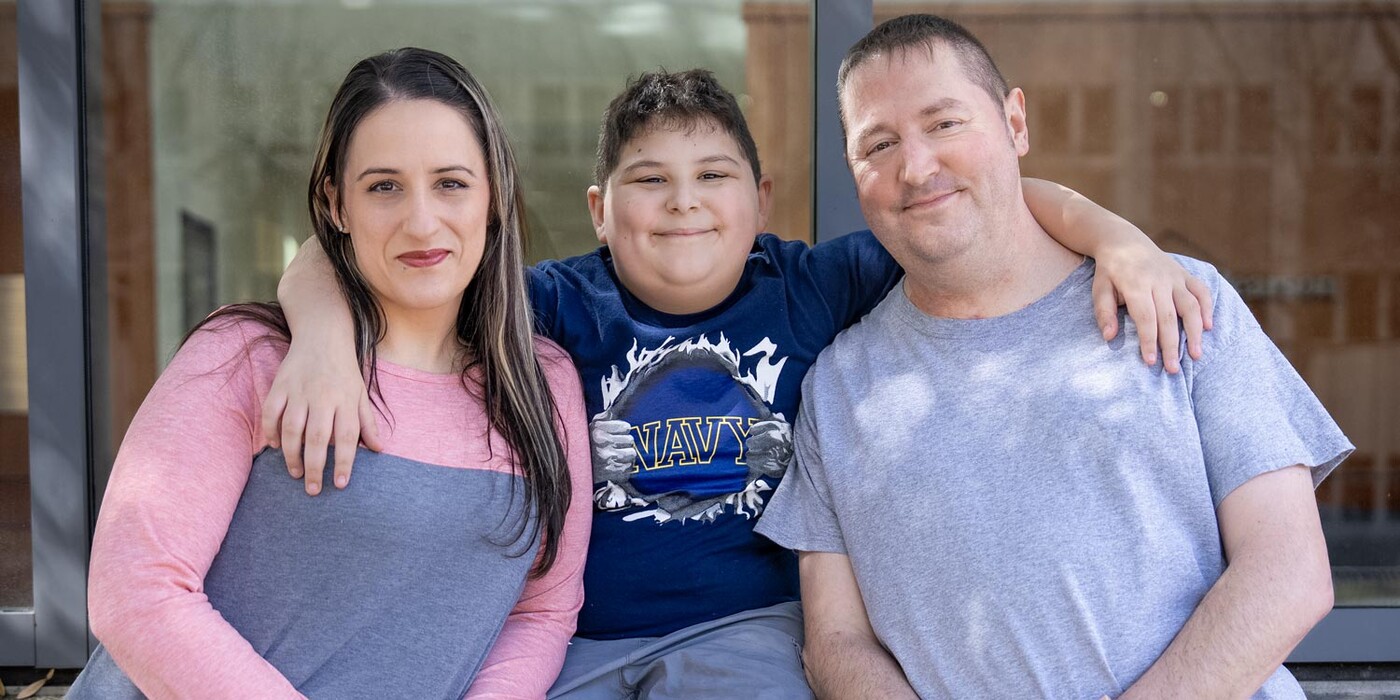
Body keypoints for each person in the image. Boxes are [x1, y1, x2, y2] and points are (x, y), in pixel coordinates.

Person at [270, 68, 1216, 698]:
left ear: (759, 201)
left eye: (713, 175)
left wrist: (1118, 240)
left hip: (751, 632)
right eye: (650, 181)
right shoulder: (552, 304)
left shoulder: (807, 284)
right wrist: (317, 334)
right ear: (600, 211)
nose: (683, 202)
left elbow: (994, 209)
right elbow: (344, 248)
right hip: (580, 642)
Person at [754, 14, 1353, 699]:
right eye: (880, 144)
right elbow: (837, 643)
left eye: (945, 123)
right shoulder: (836, 390)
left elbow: (1289, 573)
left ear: (1015, 124)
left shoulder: (1178, 302)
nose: (915, 167)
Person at [66, 48, 591, 699]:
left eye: (451, 182)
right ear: (334, 203)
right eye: (383, 187)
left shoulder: (544, 386)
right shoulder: (247, 355)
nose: (421, 221)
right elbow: (136, 593)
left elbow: (542, 611)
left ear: (493, 198)